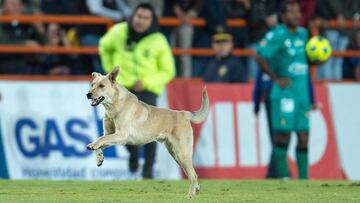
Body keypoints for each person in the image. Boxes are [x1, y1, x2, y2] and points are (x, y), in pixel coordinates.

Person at [99, 3, 176, 179]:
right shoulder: (119, 31)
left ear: (152, 20)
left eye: (145, 18)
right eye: (138, 16)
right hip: (121, 92)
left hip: (147, 91)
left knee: (153, 130)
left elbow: (168, 70)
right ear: (133, 16)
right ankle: (133, 153)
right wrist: (109, 77)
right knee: (117, 127)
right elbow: (104, 46)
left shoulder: (158, 40)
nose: (141, 21)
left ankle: (148, 169)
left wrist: (147, 81)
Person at [255, 0, 316, 179]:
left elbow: (307, 60)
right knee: (283, 137)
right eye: (291, 12)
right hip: (284, 94)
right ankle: (284, 179)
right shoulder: (276, 35)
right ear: (283, 16)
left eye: (298, 12)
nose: (296, 15)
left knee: (304, 136)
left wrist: (317, 60)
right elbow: (259, 56)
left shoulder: (304, 34)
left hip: (302, 93)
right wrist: (275, 78)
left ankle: (304, 181)